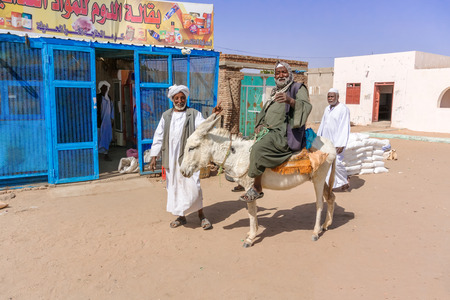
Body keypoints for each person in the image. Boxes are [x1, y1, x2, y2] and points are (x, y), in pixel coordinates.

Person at [149, 85, 222, 229]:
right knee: (175, 187)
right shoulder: (166, 116)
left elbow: (204, 128)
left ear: (186, 98)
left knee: (194, 186)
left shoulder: (194, 114)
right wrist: (153, 156)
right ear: (172, 99)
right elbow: (158, 136)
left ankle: (201, 216)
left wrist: (213, 115)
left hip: (189, 158)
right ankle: (181, 217)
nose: (180, 101)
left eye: (182, 98)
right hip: (171, 158)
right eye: (177, 98)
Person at [240, 61, 312, 202]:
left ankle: (257, 188)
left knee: (257, 149)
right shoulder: (274, 92)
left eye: (283, 72)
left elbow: (306, 106)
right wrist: (260, 124)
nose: (280, 75)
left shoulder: (297, 88)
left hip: (284, 134)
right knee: (244, 145)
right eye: (277, 73)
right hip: (269, 131)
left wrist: (290, 100)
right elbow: (264, 110)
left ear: (289, 74)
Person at [317, 88, 351, 191]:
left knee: (337, 163)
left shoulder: (343, 109)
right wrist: (318, 138)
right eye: (329, 96)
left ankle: (345, 179)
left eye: (332, 96)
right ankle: (331, 185)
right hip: (326, 141)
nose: (330, 98)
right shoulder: (327, 109)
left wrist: (341, 143)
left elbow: (345, 127)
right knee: (327, 162)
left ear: (337, 97)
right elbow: (323, 124)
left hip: (337, 142)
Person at [97, 81, 114, 161]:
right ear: (100, 88)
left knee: (106, 137)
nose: (105, 89)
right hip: (99, 122)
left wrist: (112, 118)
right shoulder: (97, 97)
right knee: (98, 137)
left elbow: (112, 109)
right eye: (103, 88)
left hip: (107, 122)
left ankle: (105, 153)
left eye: (106, 88)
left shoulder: (109, 98)